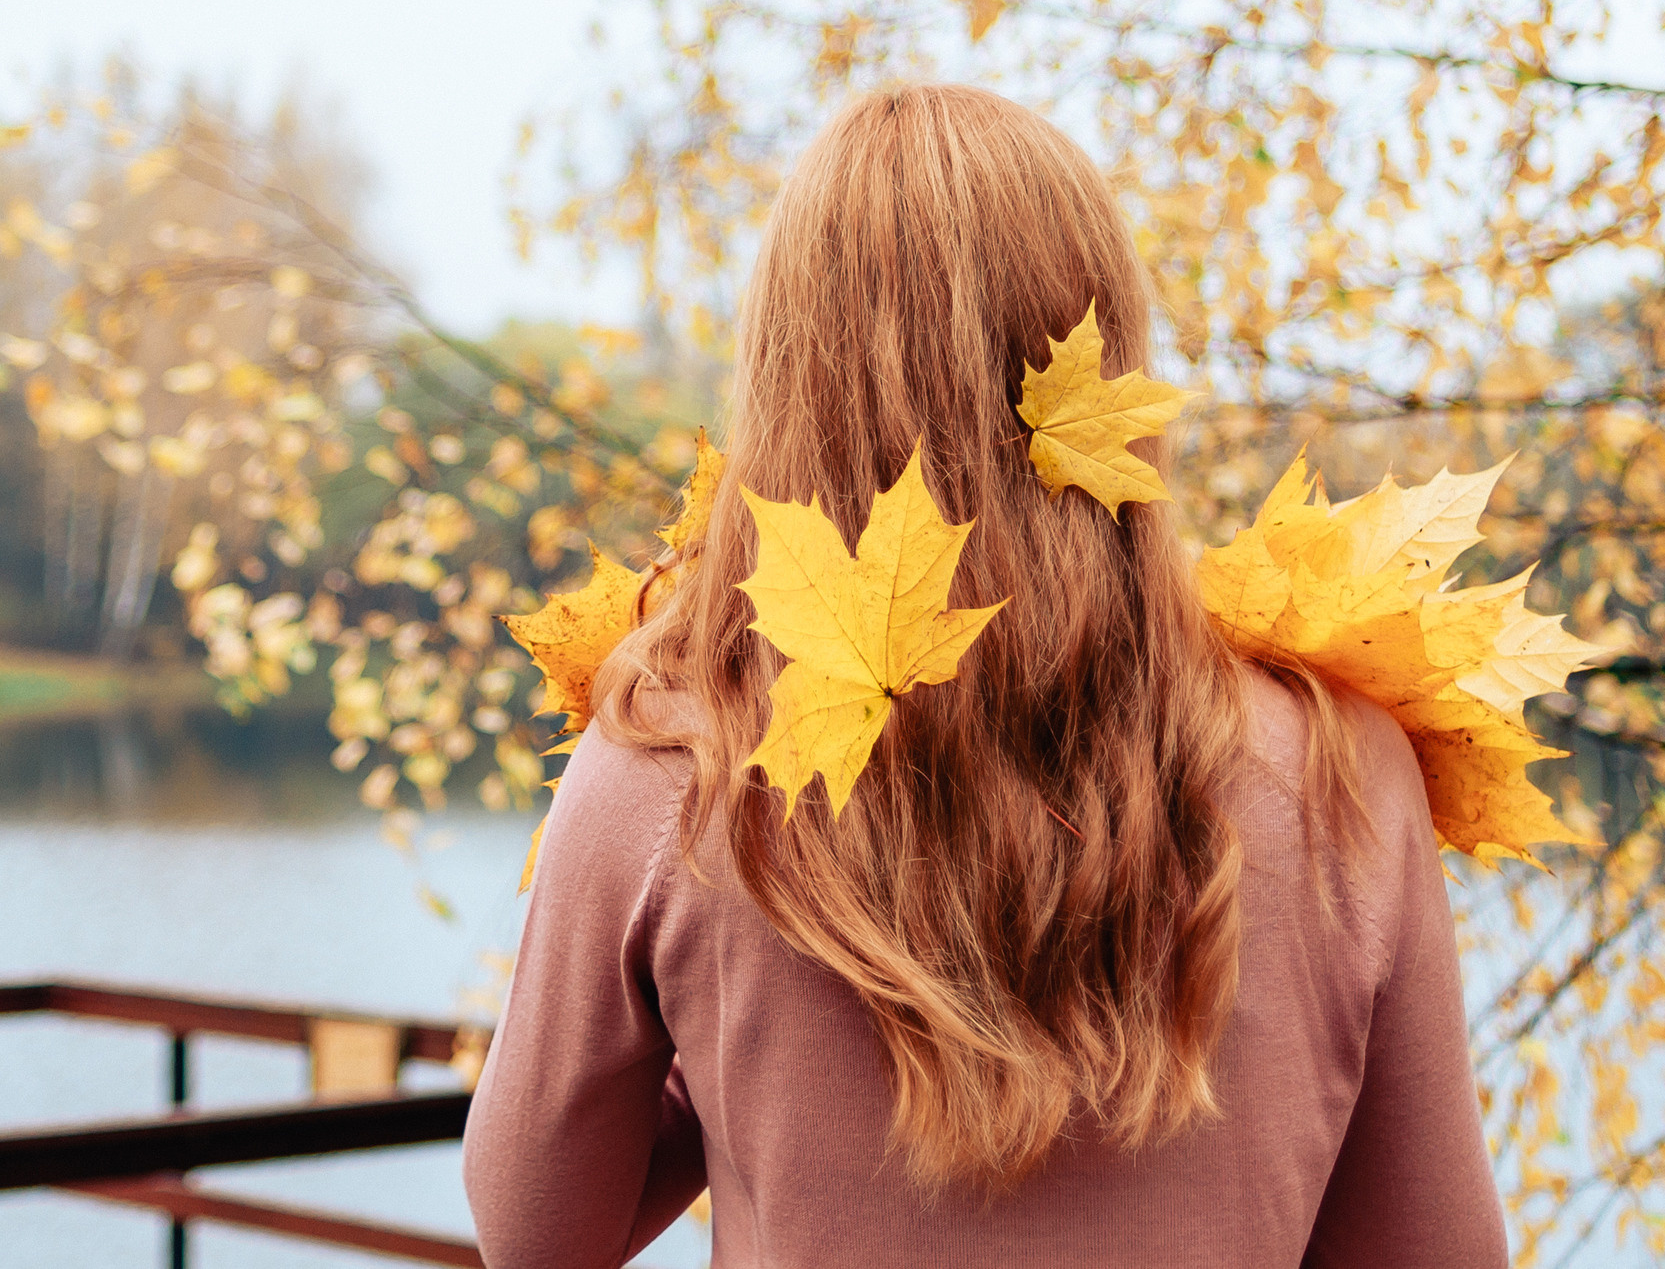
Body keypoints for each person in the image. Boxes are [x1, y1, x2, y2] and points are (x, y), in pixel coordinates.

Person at [461, 84, 1510, 1268]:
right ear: (1106, 374)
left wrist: (720, 1052)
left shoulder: (675, 773)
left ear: (788, 383)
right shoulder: (1340, 773)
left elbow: (532, 1231)